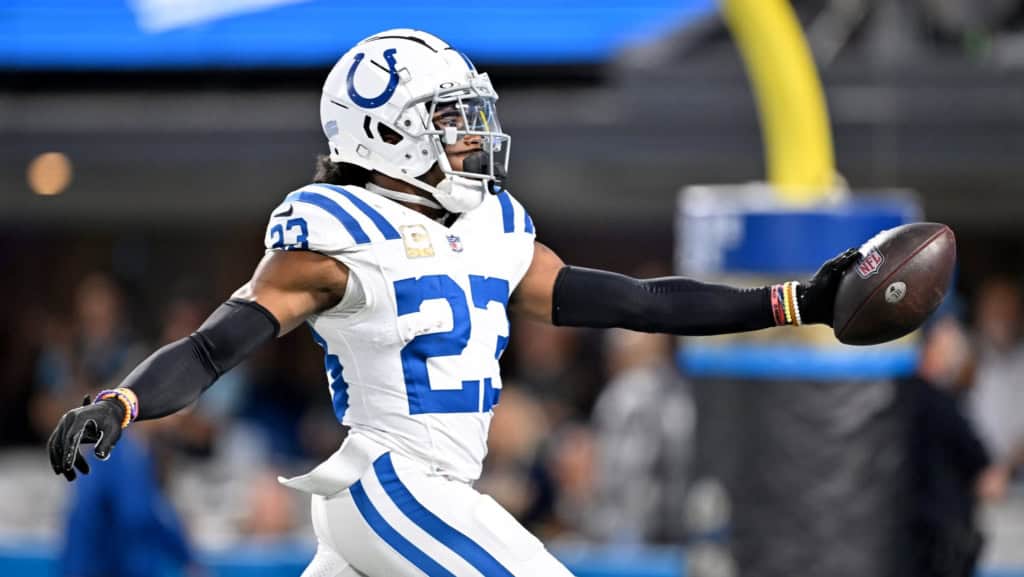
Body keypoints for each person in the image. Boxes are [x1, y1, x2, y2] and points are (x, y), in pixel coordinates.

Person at [46, 29, 858, 577]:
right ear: (385, 133)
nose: (474, 137)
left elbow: (639, 301)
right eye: (451, 121)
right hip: (392, 484)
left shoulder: (491, 223)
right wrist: (122, 402)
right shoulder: (334, 231)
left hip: (419, 493)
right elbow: (215, 345)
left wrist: (793, 301)